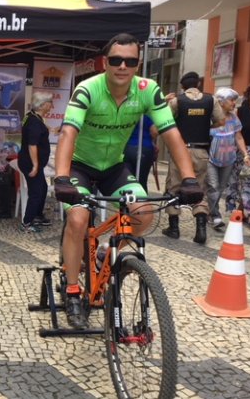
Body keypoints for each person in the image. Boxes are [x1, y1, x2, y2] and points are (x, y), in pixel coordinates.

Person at [53, 33, 203, 330]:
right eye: (116, 60)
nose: (123, 66)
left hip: (114, 167)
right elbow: (68, 132)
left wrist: (188, 178)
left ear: (138, 64)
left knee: (143, 213)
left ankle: (103, 255)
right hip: (80, 166)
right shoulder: (87, 89)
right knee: (79, 218)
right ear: (105, 62)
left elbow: (172, 134)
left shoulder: (148, 90)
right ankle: (72, 291)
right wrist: (61, 177)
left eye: (131, 61)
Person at [161, 71, 224, 244]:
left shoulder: (177, 101)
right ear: (198, 84)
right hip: (201, 150)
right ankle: (201, 230)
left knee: (173, 187)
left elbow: (165, 121)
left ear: (182, 86)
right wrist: (205, 126)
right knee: (200, 189)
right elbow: (221, 121)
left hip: (180, 151)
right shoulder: (211, 100)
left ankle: (174, 228)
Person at [206, 88, 249, 232]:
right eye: (231, 100)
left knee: (220, 188)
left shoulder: (234, 118)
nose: (234, 103)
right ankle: (215, 215)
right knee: (213, 186)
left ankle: (209, 213)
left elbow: (239, 137)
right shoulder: (210, 118)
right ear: (221, 102)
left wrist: (245, 154)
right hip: (211, 158)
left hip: (229, 159)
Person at [225, 81, 250, 231]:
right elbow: (237, 134)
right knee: (247, 182)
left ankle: (242, 210)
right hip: (246, 153)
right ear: (248, 94)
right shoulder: (241, 111)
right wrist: (244, 153)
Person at [17, 91, 52, 232]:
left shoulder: (32, 116)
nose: (51, 106)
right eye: (50, 103)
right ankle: (27, 223)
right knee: (36, 192)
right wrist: (36, 165)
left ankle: (37, 215)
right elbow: (32, 145)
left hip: (30, 161)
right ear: (43, 105)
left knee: (42, 188)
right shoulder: (34, 123)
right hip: (30, 163)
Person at [123, 114, 158, 192]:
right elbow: (155, 131)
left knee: (128, 179)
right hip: (144, 147)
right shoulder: (147, 114)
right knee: (141, 180)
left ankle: (127, 201)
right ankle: (141, 201)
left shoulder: (127, 113)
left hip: (127, 147)